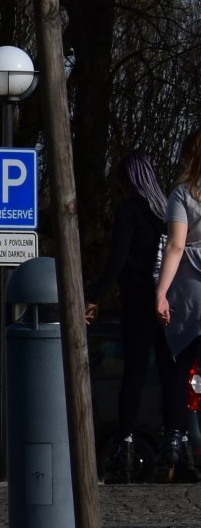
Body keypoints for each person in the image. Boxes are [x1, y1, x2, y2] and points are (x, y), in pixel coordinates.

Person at [95, 151, 177, 444]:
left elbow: (117, 258)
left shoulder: (129, 210)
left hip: (139, 298)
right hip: (168, 298)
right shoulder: (166, 211)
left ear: (126, 180)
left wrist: (96, 295)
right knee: (171, 371)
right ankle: (174, 440)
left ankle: (126, 441)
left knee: (134, 372)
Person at [152, 130, 201, 466]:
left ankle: (174, 437)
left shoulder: (182, 195)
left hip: (191, 291)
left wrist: (161, 292)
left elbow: (175, 245)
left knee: (180, 364)